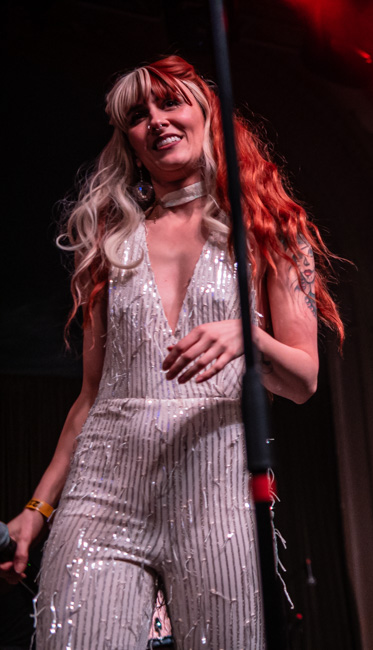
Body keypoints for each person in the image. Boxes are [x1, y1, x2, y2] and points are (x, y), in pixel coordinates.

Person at [0, 55, 343, 648]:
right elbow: (89, 398)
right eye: (137, 115)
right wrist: (38, 505)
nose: (155, 120)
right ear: (128, 141)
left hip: (215, 492)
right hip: (101, 496)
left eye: (170, 103)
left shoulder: (270, 230)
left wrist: (248, 337)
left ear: (206, 115)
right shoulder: (109, 244)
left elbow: (304, 379)